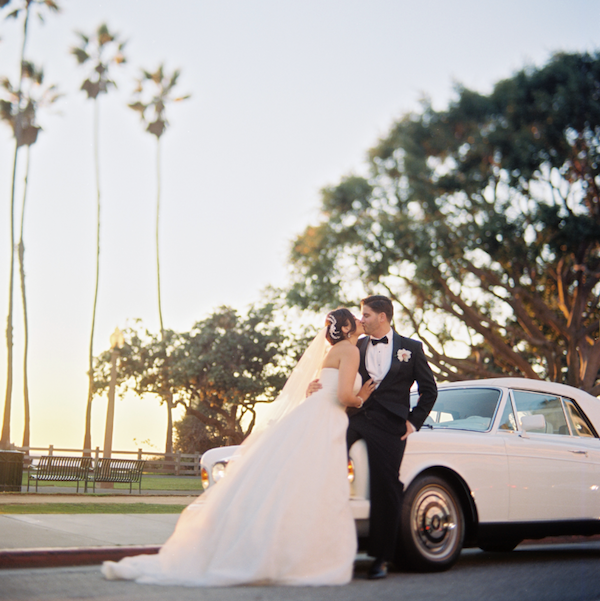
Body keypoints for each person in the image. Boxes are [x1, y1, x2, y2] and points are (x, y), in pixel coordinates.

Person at [101, 308, 376, 587]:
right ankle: (299, 554)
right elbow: (342, 395)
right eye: (355, 317)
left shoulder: (332, 352)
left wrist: (321, 394)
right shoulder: (350, 350)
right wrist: (361, 397)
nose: (359, 320)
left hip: (314, 415)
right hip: (325, 420)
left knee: (293, 485)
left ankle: (280, 550)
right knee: (311, 486)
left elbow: (320, 387)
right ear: (346, 327)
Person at [309, 295, 437, 579]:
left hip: (390, 425)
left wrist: (413, 422)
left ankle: (381, 557)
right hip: (355, 418)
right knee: (325, 464)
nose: (361, 319)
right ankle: (324, 544)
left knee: (387, 485)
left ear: (382, 316)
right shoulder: (355, 344)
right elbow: (333, 372)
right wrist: (315, 385)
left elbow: (430, 390)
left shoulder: (412, 349)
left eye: (366, 315)